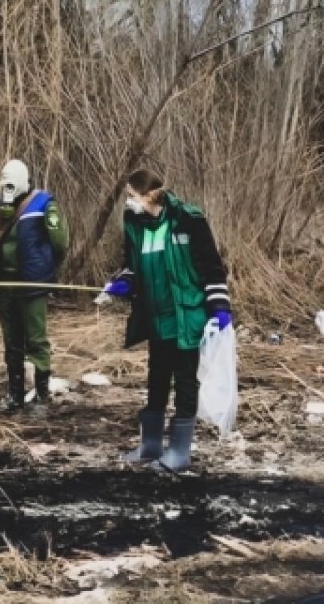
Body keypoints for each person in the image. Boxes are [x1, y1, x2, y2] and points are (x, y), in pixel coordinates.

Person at [96, 168, 231, 471]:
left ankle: (179, 453)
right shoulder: (135, 224)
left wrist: (220, 306)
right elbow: (131, 265)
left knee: (184, 381)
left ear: (149, 195)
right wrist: (124, 283)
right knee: (156, 379)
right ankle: (150, 445)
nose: (128, 203)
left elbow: (211, 266)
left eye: (131, 196)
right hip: (155, 318)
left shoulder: (188, 220)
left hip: (186, 315)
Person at [0, 158, 69, 416]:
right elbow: (5, 236)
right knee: (12, 342)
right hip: (7, 284)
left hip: (31, 283)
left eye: (10, 183)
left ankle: (42, 398)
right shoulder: (6, 205)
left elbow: (60, 242)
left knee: (36, 340)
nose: (6, 188)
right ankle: (15, 395)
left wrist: (44, 269)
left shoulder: (45, 204)